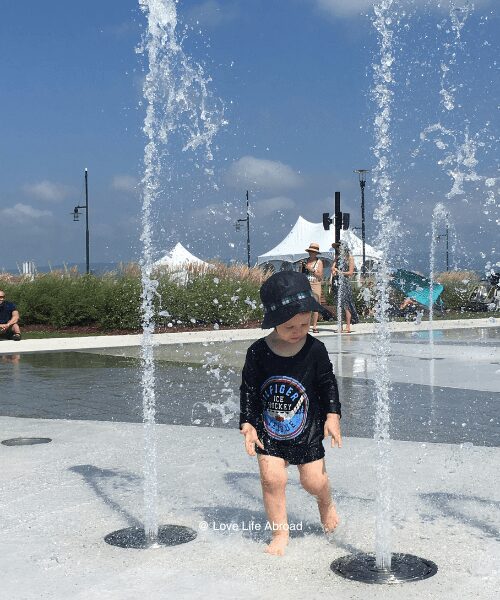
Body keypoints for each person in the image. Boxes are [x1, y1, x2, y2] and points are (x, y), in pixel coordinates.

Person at [240, 271, 342, 556]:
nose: (298, 330)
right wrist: (248, 422)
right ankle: (280, 533)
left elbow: (327, 383)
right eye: (289, 326)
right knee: (272, 479)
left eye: (304, 322)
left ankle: (325, 502)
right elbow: (248, 388)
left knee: (313, 481)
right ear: (273, 323)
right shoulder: (258, 353)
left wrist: (333, 416)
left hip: (307, 429)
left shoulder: (315, 350)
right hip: (268, 429)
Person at [329, 242, 359, 333]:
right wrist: (333, 271)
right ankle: (340, 326)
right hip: (336, 282)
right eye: (337, 247)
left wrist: (339, 272)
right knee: (339, 305)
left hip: (345, 283)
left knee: (346, 305)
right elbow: (332, 268)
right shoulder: (337, 258)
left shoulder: (350, 258)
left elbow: (350, 273)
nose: (338, 249)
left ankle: (348, 326)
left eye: (340, 247)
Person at [301, 242, 324, 333]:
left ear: (316, 253)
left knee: (315, 305)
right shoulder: (305, 261)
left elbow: (320, 276)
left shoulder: (319, 262)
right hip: (306, 284)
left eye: (313, 252)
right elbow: (301, 274)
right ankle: (306, 325)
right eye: (310, 251)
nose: (311, 253)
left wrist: (312, 269)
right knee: (305, 305)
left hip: (315, 284)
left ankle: (314, 326)